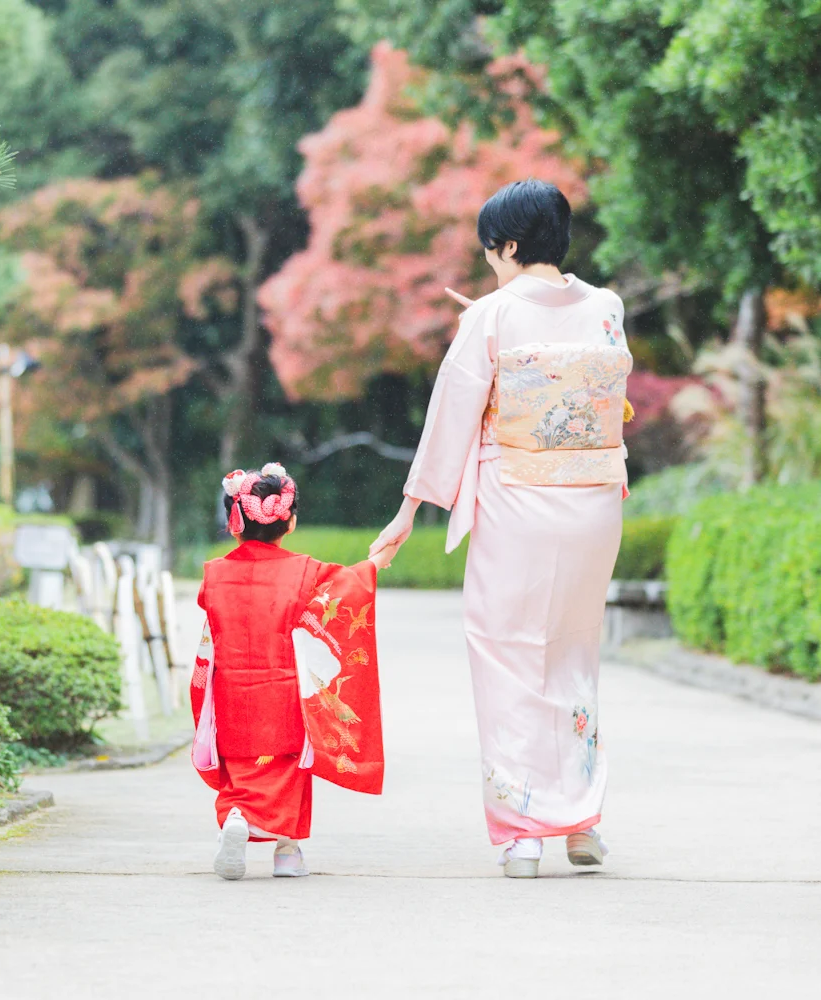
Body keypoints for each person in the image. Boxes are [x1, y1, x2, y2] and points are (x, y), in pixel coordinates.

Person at [370, 179, 631, 879]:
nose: (489, 262)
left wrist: (408, 511)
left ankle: (524, 833)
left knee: (508, 657)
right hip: (594, 502)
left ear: (509, 246)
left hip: (520, 500)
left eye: (491, 250)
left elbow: (450, 415)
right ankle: (581, 819)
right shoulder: (607, 306)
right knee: (573, 652)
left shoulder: (489, 316)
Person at [193, 463, 394, 881]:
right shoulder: (304, 571)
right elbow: (348, 589)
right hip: (284, 693)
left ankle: (236, 817)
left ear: (234, 522)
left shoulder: (215, 573)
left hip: (232, 692)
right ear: (291, 522)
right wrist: (378, 559)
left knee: (240, 766)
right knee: (287, 768)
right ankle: (286, 852)